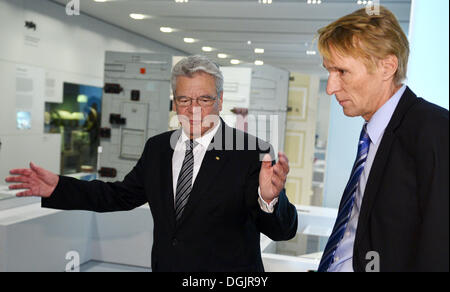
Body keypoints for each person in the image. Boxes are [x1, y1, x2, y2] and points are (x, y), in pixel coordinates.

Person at [5, 55, 298, 272]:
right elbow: (119, 195)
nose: (193, 110)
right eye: (184, 100)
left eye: (204, 100)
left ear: (220, 100)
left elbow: (283, 231)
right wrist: (59, 187)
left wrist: (268, 200)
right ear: (174, 103)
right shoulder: (158, 148)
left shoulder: (251, 152)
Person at [316, 7, 449, 272]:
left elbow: (439, 249)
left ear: (387, 66)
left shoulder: (435, 130)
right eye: (329, 72)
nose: (330, 88)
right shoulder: (373, 132)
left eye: (341, 72)